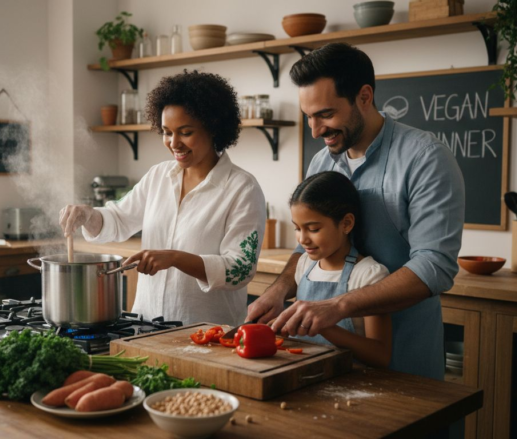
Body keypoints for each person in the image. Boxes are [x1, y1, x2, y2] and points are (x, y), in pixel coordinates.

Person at [247, 42, 465, 381]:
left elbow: (433, 266)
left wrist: (338, 306)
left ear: (364, 96)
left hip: (404, 365)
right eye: (309, 117)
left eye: (326, 115)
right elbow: (305, 248)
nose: (316, 131)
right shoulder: (322, 161)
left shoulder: (425, 158)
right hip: (323, 369)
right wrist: (278, 290)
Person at [60, 70, 266, 326]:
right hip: (146, 327)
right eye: (167, 132)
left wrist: (176, 258)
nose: (173, 143)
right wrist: (88, 215)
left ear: (213, 127)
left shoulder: (242, 188)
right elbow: (119, 219)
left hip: (206, 335)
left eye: (185, 132)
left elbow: (239, 270)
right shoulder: (159, 176)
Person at [289, 171, 392, 368]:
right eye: (297, 228)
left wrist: (324, 326)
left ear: (346, 223)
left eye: (313, 229)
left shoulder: (369, 275)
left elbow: (380, 355)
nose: (302, 239)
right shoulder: (303, 265)